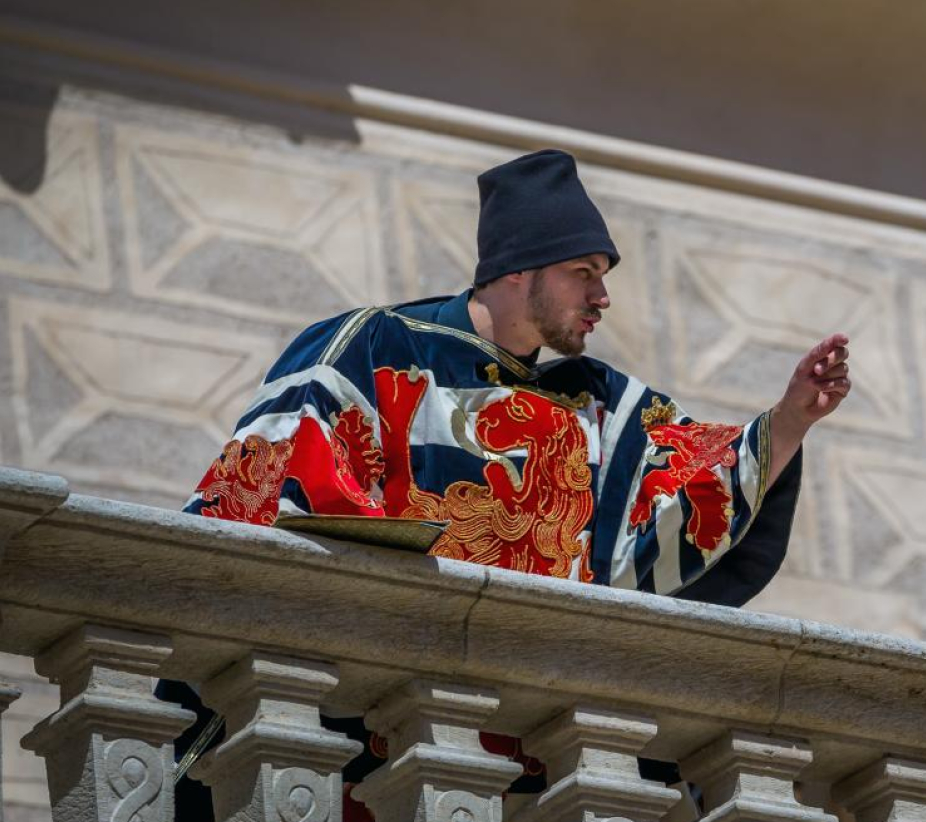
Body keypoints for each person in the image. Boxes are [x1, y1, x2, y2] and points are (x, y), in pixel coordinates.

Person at [172, 149, 852, 817]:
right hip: (368, 736)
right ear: (517, 270)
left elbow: (688, 495)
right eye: (583, 272)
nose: (602, 296)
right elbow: (270, 493)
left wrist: (790, 421)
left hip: (530, 761)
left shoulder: (601, 404)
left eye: (604, 274)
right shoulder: (377, 348)